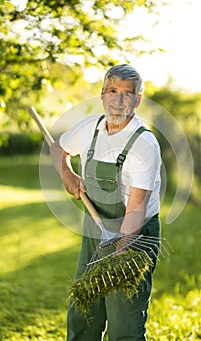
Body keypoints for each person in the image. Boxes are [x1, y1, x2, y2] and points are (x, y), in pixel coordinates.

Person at [51, 64, 162, 341]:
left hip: (133, 235)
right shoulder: (91, 127)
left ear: (137, 100)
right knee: (83, 312)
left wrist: (117, 256)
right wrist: (68, 174)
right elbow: (58, 149)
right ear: (102, 94)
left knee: (124, 322)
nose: (119, 100)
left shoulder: (144, 144)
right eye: (113, 91)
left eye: (128, 93)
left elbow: (135, 210)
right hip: (95, 228)